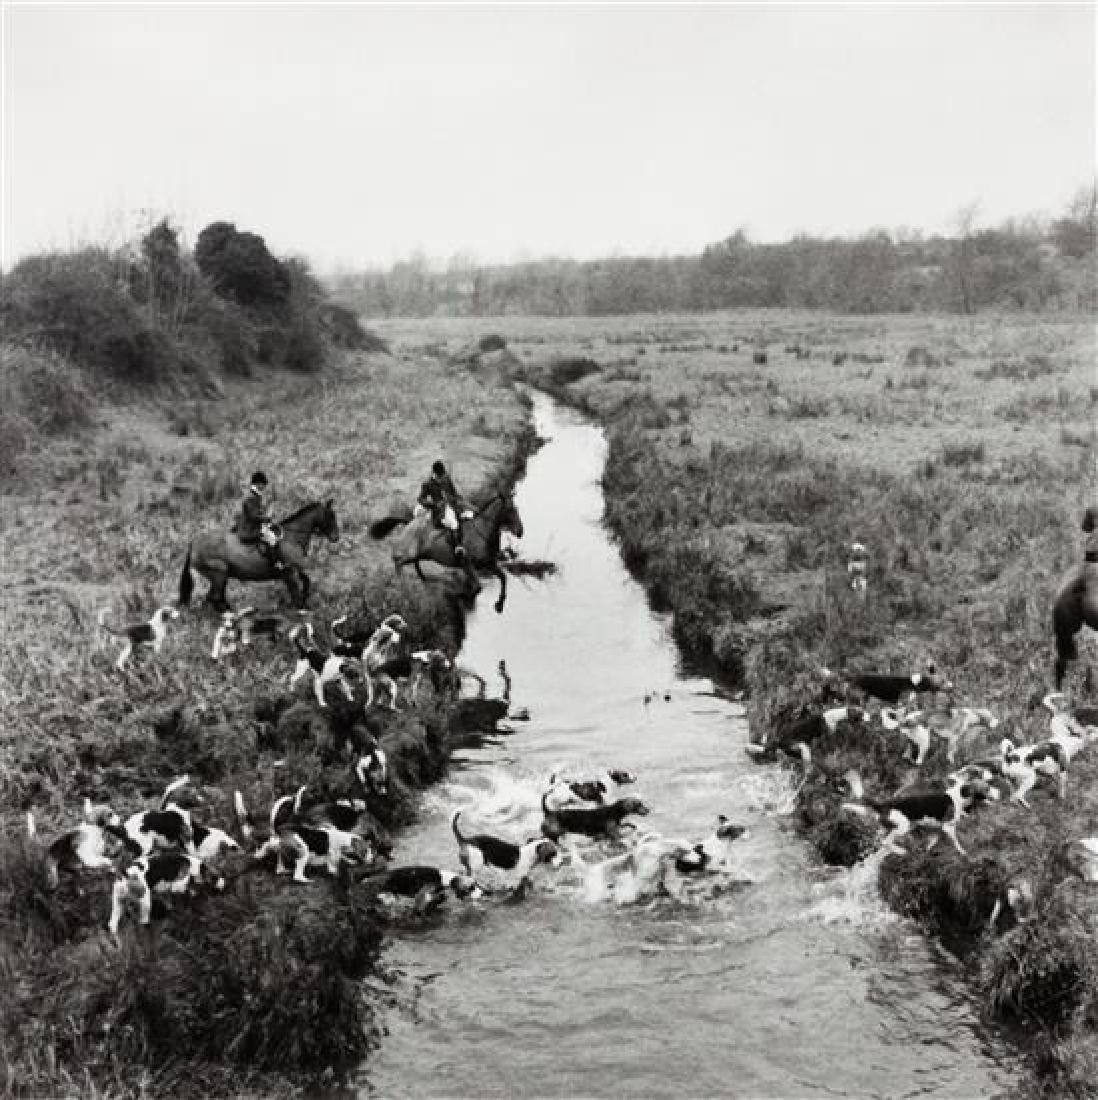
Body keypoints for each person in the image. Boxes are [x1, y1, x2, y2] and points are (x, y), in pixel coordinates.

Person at [417, 460, 471, 559]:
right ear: (435, 474)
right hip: (439, 513)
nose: (441, 478)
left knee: (469, 516)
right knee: (453, 523)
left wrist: (462, 500)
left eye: (442, 476)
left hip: (453, 507)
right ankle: (457, 547)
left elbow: (454, 493)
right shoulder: (427, 484)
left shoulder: (446, 479)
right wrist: (433, 504)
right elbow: (421, 499)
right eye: (439, 476)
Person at [234, 471, 285, 570]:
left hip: (253, 525)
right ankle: (275, 564)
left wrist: (269, 505)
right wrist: (268, 518)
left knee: (273, 531)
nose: (264, 487)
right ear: (257, 483)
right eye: (263, 484)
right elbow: (253, 516)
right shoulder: (250, 497)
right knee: (272, 538)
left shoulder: (255, 495)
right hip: (249, 529)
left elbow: (258, 511)